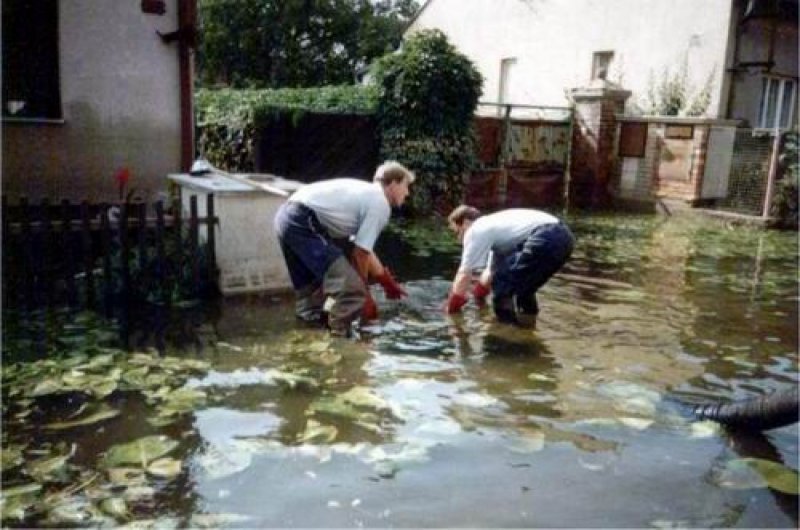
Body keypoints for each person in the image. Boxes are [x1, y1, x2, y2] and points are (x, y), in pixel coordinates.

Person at [274, 161, 414, 336]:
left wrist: (386, 282)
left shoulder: (366, 194)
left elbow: (365, 249)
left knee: (310, 299)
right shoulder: (380, 202)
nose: (407, 193)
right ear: (393, 184)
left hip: (285, 218)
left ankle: (307, 341)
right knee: (352, 291)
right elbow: (360, 254)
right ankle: (339, 343)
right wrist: (366, 296)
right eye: (406, 186)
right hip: (304, 221)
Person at [444, 205, 574, 326]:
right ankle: (527, 327)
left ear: (465, 223)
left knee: (501, 283)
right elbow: (490, 274)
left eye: (457, 232)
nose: (459, 238)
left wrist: (451, 309)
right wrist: (478, 298)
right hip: (565, 238)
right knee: (524, 288)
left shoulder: (476, 229)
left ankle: (507, 333)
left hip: (546, 236)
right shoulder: (496, 231)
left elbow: (464, 274)